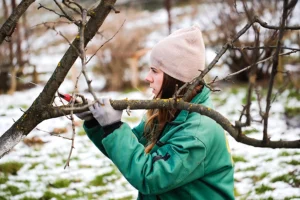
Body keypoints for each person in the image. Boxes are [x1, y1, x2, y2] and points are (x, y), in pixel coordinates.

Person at [77, 25, 234, 200]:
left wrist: (114, 127)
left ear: (176, 79)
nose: (147, 77)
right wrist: (97, 123)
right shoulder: (167, 112)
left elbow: (150, 177)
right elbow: (130, 150)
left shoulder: (198, 134)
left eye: (154, 71)